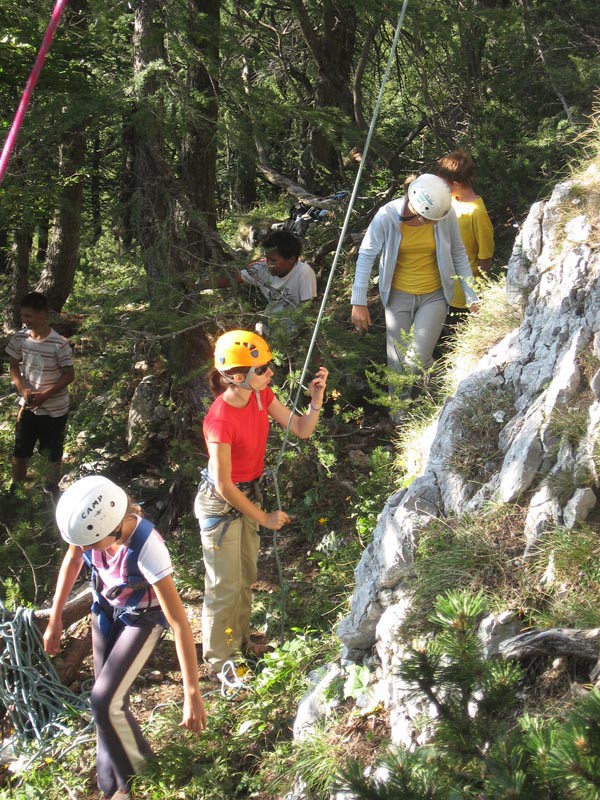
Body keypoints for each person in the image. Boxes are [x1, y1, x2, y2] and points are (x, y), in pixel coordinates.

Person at [44, 476, 206, 800]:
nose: (85, 549)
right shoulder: (90, 531)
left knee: (104, 701)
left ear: (112, 528)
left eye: (90, 544)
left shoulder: (148, 548)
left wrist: (192, 693)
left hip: (144, 620)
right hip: (106, 609)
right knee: (108, 701)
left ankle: (141, 780)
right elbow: (74, 560)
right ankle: (111, 786)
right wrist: (56, 617)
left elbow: (179, 624)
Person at [194, 330, 327, 682]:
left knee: (245, 577)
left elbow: (300, 428)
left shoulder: (260, 395)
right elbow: (222, 484)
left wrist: (315, 399)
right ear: (238, 376)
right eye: (263, 368)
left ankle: (238, 642)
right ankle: (220, 660)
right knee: (224, 585)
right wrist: (265, 518)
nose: (270, 373)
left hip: (247, 495)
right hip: (221, 505)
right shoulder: (219, 420)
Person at [350, 173, 478, 415]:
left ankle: (445, 384)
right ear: (416, 209)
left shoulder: (445, 214)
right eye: (428, 219)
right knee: (397, 362)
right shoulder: (387, 216)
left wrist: (471, 294)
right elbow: (366, 254)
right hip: (397, 296)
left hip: (434, 295)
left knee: (414, 359)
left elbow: (458, 253)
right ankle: (399, 417)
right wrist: (359, 301)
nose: (432, 224)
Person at [5, 291, 74, 502]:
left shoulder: (59, 343)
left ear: (42, 314)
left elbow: (69, 375)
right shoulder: (20, 338)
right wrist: (22, 389)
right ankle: (16, 493)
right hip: (28, 405)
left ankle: (50, 492)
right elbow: (13, 365)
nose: (24, 321)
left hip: (55, 409)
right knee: (20, 450)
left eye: (28, 316)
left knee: (52, 453)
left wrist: (46, 394)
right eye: (22, 316)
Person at [436, 149, 494, 327]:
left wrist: (478, 291)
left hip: (463, 296)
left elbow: (485, 256)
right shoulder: (450, 201)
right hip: (441, 288)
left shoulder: (477, 212)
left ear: (455, 183)